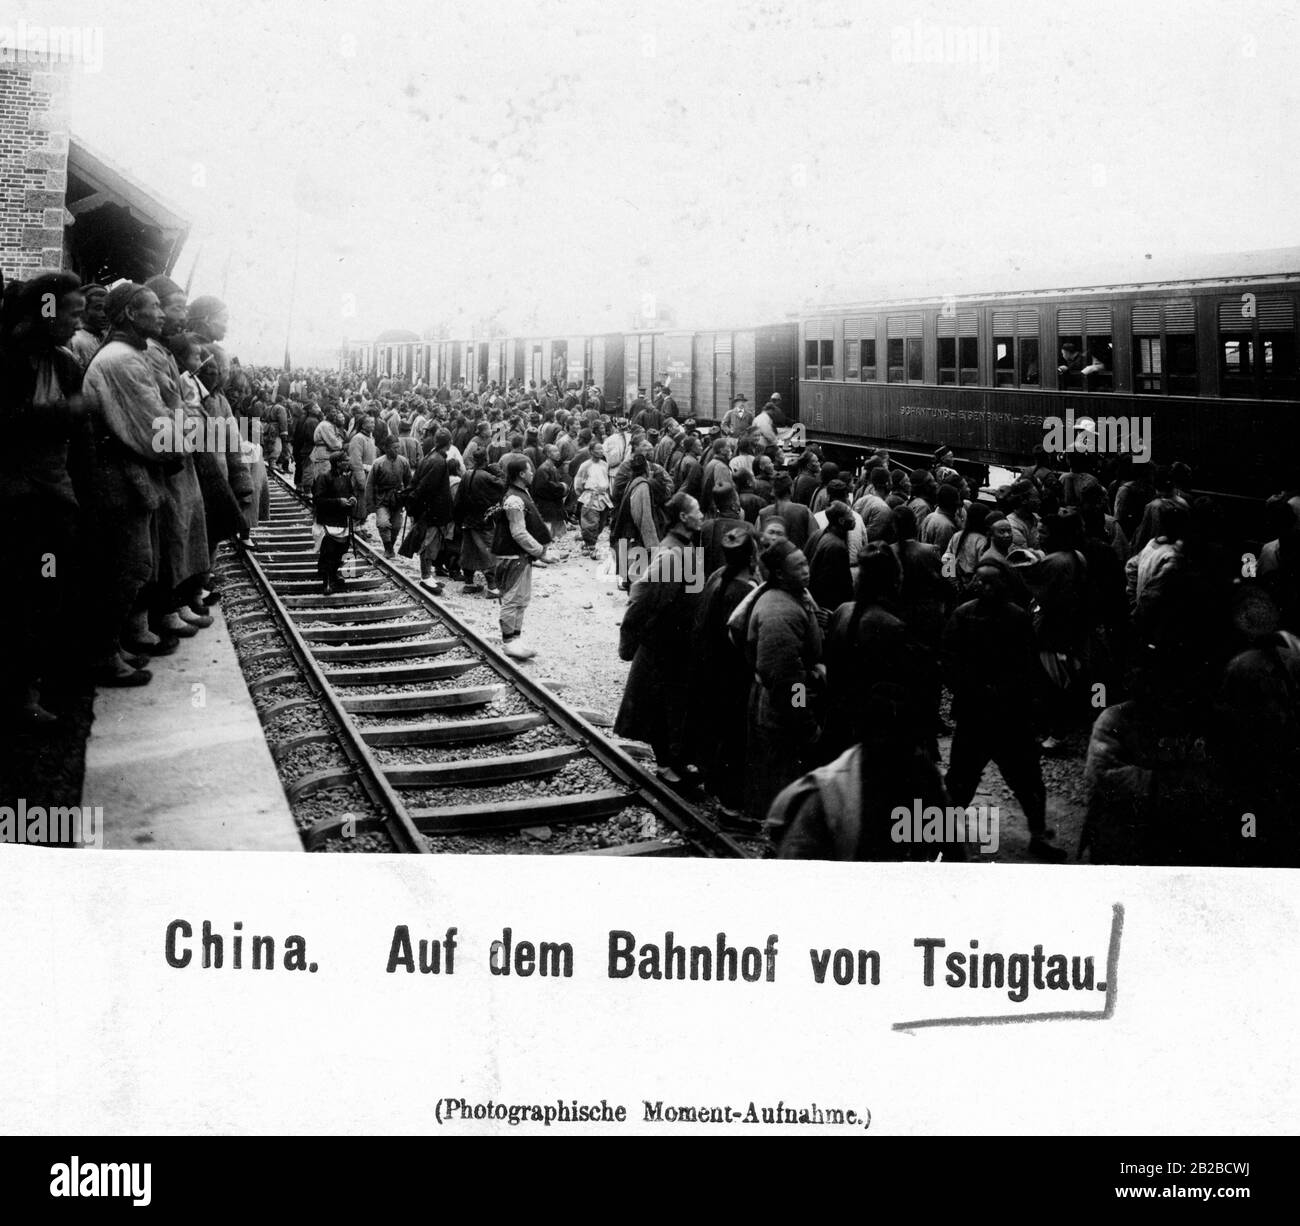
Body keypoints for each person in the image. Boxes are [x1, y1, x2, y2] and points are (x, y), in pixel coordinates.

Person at [943, 560, 1066, 861]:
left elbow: (1028, 666)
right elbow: (950, 662)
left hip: (1010, 716)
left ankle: (1039, 834)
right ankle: (942, 836)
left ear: (1004, 586)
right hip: (975, 714)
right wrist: (973, 689)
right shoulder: (963, 615)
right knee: (960, 780)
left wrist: (1019, 698)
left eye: (991, 582)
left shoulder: (1018, 618)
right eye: (979, 581)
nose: (984, 587)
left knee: (1028, 780)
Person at [614, 492, 706, 782]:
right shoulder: (670, 554)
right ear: (683, 517)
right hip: (663, 642)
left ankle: (675, 760)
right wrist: (628, 640)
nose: (702, 514)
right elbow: (640, 598)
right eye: (697, 509)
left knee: (675, 703)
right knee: (660, 704)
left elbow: (694, 596)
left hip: (680, 642)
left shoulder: (687, 547)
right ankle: (666, 764)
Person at [743, 539, 824, 821]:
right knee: (783, 783)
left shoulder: (794, 595)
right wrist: (805, 721)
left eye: (805, 563)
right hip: (782, 713)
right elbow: (788, 679)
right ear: (779, 574)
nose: (806, 570)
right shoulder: (780, 611)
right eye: (798, 566)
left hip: (782, 705)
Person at [688, 525, 758, 809]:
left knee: (716, 729)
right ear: (751, 557)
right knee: (732, 735)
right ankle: (728, 795)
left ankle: (713, 780)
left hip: (711, 669)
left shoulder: (718, 578)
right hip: (733, 675)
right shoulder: (744, 592)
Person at [492, 454, 551, 659]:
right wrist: (541, 552)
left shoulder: (520, 493)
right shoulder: (515, 499)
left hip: (519, 556)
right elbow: (518, 532)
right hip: (512, 556)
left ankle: (516, 639)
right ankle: (509, 641)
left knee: (521, 600)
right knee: (511, 599)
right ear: (521, 474)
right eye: (530, 470)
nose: (532, 473)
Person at [313, 452, 356, 593]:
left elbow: (350, 493)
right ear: (338, 463)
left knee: (341, 551)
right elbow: (318, 500)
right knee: (328, 552)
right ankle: (327, 581)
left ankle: (334, 575)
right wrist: (338, 502)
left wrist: (352, 499)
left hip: (342, 521)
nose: (348, 464)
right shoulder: (324, 478)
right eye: (345, 461)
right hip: (328, 522)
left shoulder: (345, 478)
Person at [364, 433, 412, 556]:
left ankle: (391, 545)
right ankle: (388, 548)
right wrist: (370, 504)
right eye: (394, 448)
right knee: (383, 523)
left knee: (396, 526)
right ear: (386, 448)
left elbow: (409, 483)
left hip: (397, 498)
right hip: (382, 498)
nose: (397, 450)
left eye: (398, 447)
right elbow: (369, 485)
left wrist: (408, 499)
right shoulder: (378, 463)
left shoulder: (403, 462)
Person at [574, 439, 613, 555]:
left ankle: (592, 541)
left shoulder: (605, 465)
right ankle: (589, 544)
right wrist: (583, 493)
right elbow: (578, 481)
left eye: (602, 449)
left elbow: (608, 481)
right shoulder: (585, 465)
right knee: (590, 521)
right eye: (598, 449)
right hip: (590, 496)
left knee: (602, 521)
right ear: (591, 451)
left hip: (603, 497)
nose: (601, 451)